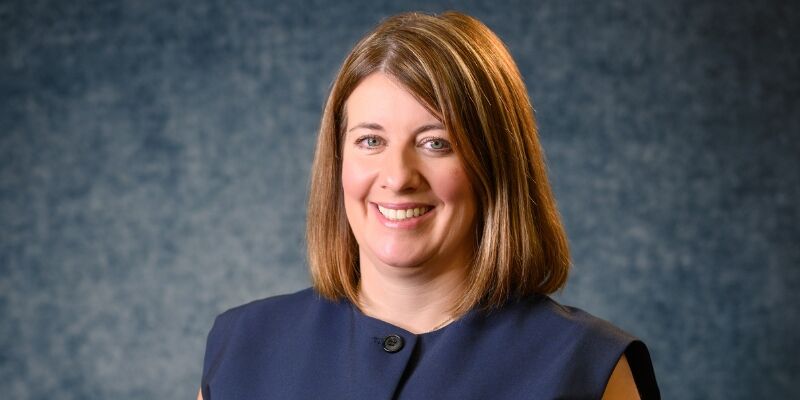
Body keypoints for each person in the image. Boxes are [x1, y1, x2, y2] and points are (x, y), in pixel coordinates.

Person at [198, 11, 659, 400]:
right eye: (371, 141)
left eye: (436, 143)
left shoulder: (586, 366)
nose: (398, 177)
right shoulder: (242, 346)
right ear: (338, 161)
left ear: (494, 164)